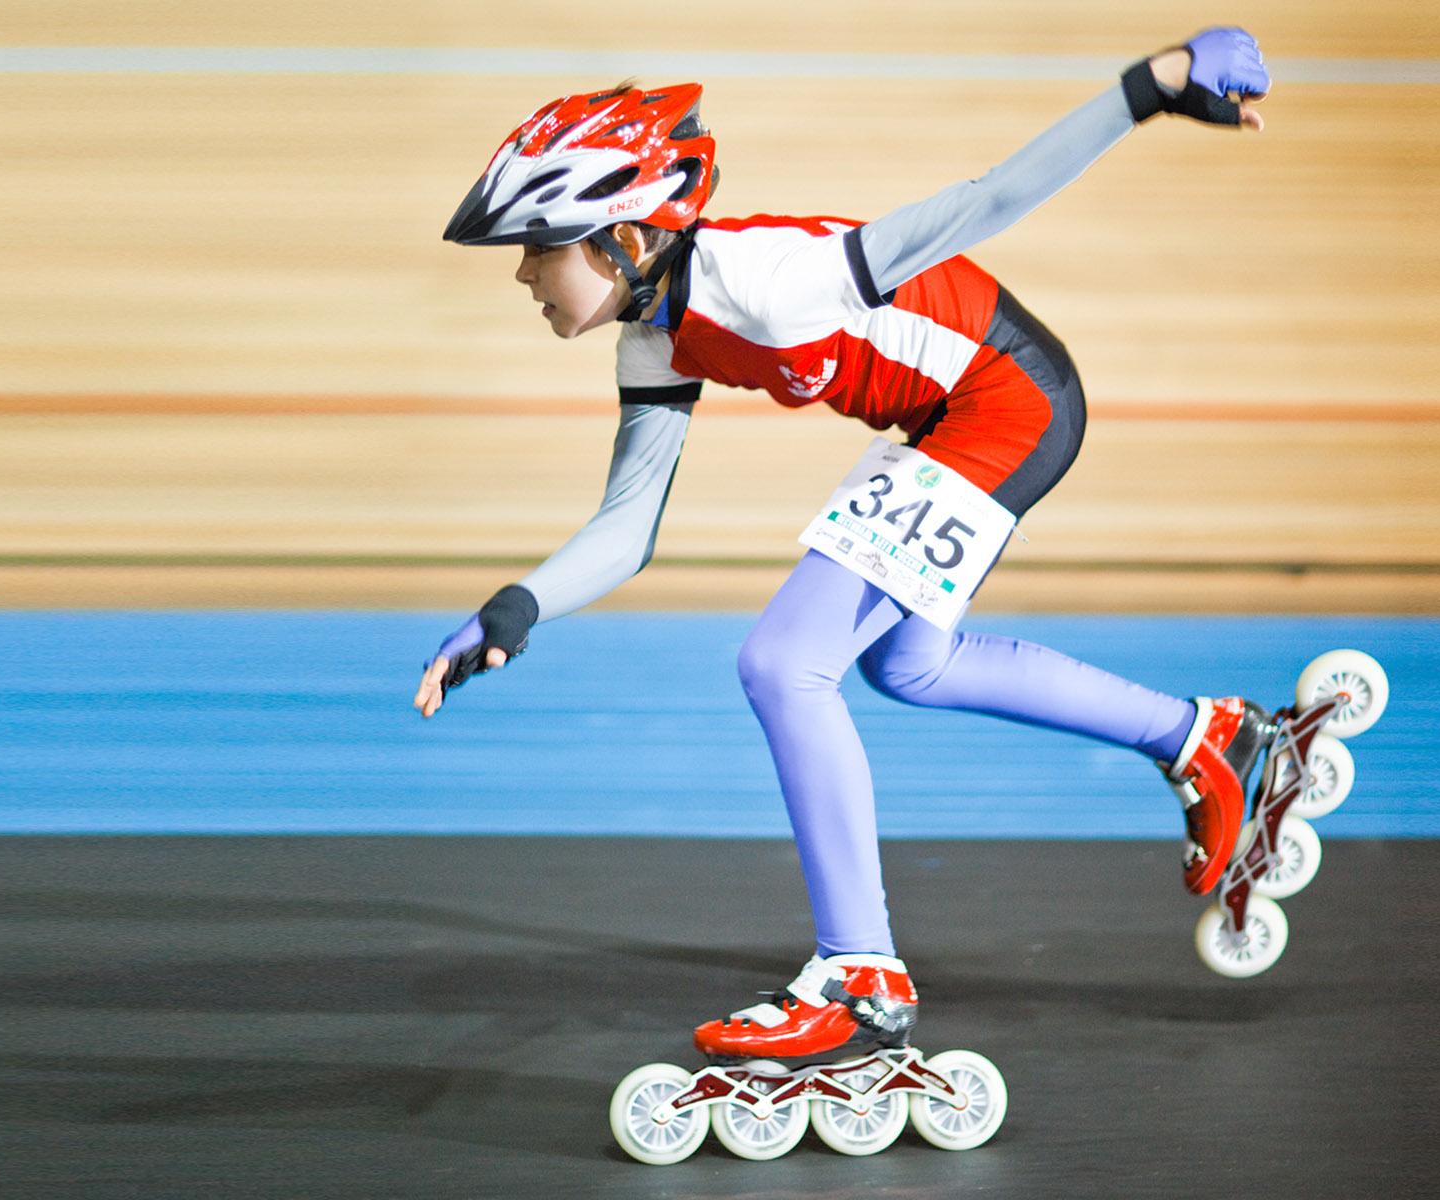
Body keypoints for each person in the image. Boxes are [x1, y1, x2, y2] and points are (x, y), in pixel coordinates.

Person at [414, 29, 1275, 1060]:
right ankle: (1206, 737)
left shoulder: (778, 280)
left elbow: (988, 201)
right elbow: (627, 527)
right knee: (910, 664)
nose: (522, 276)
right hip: (950, 414)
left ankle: (858, 971)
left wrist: (1151, 89)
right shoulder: (654, 332)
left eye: (536, 246)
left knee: (784, 665)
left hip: (1007, 400)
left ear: (627, 240)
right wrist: (515, 608)